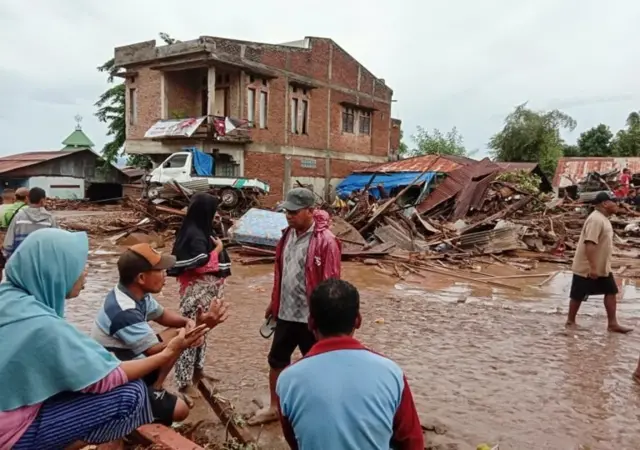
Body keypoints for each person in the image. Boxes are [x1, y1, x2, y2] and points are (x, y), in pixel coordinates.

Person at [0, 228, 209, 449]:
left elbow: (164, 317)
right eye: (79, 267)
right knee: (133, 395)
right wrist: (173, 349)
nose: (85, 272)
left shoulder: (11, 299)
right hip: (10, 435)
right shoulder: (45, 326)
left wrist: (188, 324)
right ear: (56, 273)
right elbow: (107, 377)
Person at [276, 279, 424, 450]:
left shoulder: (287, 380)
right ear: (358, 321)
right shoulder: (391, 373)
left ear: (310, 323)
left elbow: (295, 441)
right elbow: (412, 442)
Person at [92, 242, 229, 420]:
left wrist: (188, 322)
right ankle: (142, 402)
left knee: (178, 332)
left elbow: (163, 316)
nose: (165, 275)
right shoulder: (124, 311)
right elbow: (157, 350)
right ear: (141, 278)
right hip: (116, 378)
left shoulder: (134, 294)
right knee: (181, 412)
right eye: (160, 270)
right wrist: (204, 326)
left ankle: (155, 388)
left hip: (128, 359)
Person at [249, 187, 341, 425]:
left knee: (318, 366)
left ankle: (318, 412)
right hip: (286, 313)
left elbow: (331, 282)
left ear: (311, 211)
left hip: (311, 317)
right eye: (286, 211)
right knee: (277, 360)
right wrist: (274, 301)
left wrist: (327, 318)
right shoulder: (286, 235)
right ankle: (274, 407)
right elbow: (281, 273)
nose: (289, 216)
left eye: (294, 211)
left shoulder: (326, 242)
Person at [168, 193, 232, 404]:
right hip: (195, 293)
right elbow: (197, 264)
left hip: (208, 291)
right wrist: (218, 250)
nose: (216, 216)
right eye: (213, 211)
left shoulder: (204, 230)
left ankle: (198, 372)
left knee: (203, 333)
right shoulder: (194, 234)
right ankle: (184, 382)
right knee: (190, 334)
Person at [566, 191, 632, 333]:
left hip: (602, 266)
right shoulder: (595, 219)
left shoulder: (603, 218)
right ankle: (570, 321)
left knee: (611, 291)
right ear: (605, 203)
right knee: (578, 294)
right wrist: (593, 267)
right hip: (587, 267)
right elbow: (590, 243)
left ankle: (612, 324)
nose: (617, 205)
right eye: (614, 202)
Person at [3, 187, 57, 259]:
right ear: (43, 200)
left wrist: (11, 260)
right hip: (42, 262)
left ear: (28, 199)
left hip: (21, 261)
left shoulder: (18, 217)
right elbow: (56, 243)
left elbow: (8, 245)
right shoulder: (50, 219)